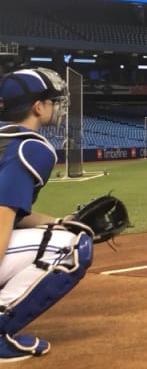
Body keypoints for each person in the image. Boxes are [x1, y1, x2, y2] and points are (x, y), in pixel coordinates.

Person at [0, 68, 94, 361]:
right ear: (38, 107)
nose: (55, 107)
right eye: (51, 101)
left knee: (63, 232)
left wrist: (56, 222)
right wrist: (65, 233)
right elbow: (2, 213)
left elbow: (13, 210)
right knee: (72, 246)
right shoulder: (30, 146)